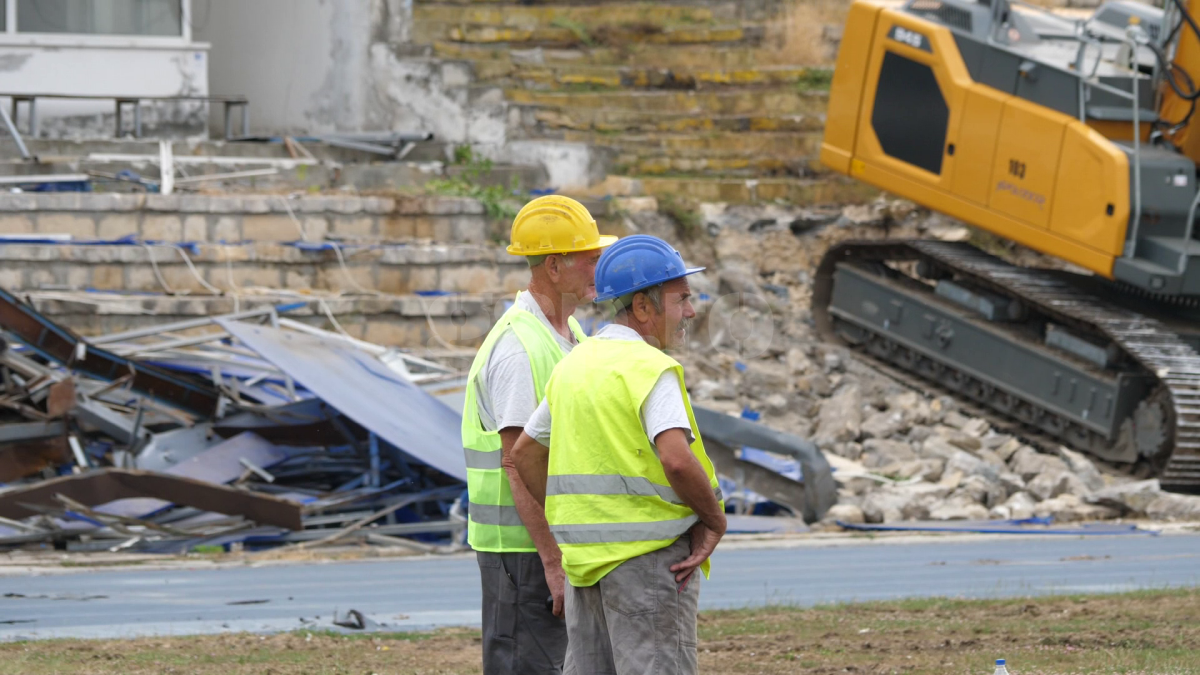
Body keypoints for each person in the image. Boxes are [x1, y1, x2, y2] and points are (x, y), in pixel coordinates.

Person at [511, 234, 726, 675]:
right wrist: (714, 520)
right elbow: (676, 460)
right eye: (681, 299)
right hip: (649, 561)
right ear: (643, 308)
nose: (690, 311)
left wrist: (571, 519)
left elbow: (525, 453)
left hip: (585, 566)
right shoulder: (650, 368)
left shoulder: (574, 363)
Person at [461, 195, 616, 675]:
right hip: (524, 554)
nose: (600, 267)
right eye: (590, 258)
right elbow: (515, 461)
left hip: (552, 545)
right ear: (554, 266)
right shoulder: (518, 349)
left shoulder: (567, 332)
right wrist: (552, 561)